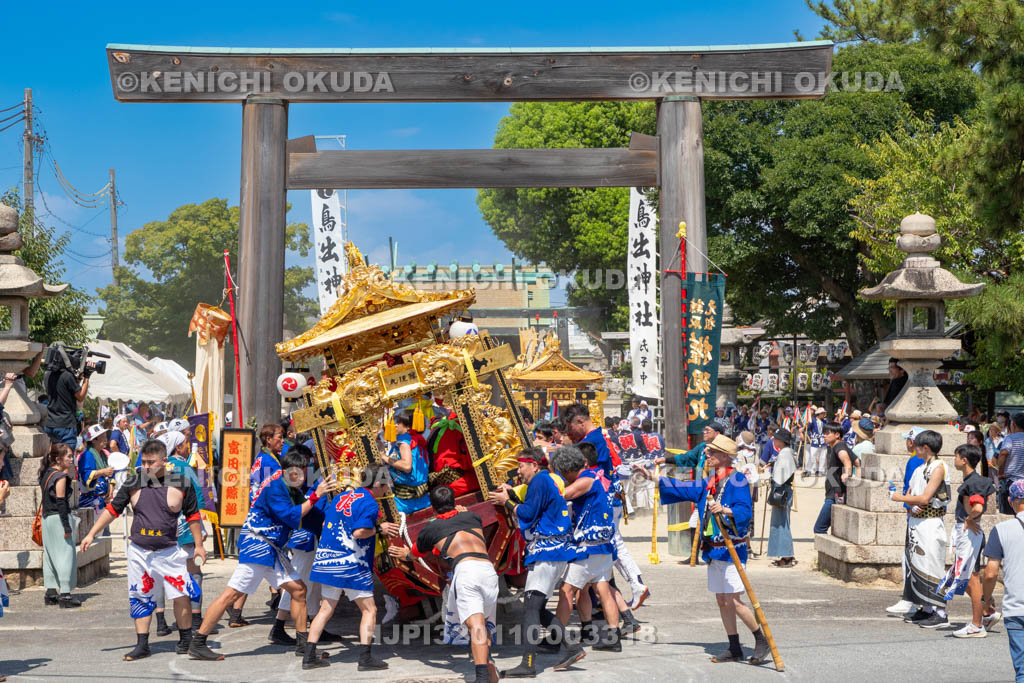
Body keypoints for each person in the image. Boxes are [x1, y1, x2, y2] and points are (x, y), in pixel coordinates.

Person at [187, 449, 334, 661]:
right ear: (289, 471)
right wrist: (316, 495)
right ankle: (198, 642)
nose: (303, 476)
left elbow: (309, 515)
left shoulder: (288, 485)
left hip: (271, 548)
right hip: (258, 545)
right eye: (300, 472)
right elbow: (291, 515)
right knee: (230, 595)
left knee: (299, 590)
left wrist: (328, 524)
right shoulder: (276, 487)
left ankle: (303, 646)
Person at [645, 434, 768, 663]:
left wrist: (727, 510)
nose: (707, 455)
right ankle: (734, 646)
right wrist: (654, 478)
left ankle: (760, 639)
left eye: (711, 452)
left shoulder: (737, 479)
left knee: (734, 600)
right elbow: (684, 488)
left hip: (732, 549)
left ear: (723, 456)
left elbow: (745, 511)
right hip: (714, 549)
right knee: (722, 599)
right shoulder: (709, 481)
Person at [80, 439, 206, 661]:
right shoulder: (134, 482)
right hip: (140, 551)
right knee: (139, 595)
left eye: (151, 462)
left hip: (169, 550)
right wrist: (92, 533)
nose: (147, 467)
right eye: (144, 462)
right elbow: (112, 510)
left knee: (181, 595)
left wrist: (198, 546)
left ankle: (185, 640)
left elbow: (193, 516)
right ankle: (142, 644)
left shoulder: (181, 482)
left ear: (164, 461)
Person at [389, 485, 499, 683]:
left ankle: (482, 678)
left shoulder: (431, 528)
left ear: (432, 507)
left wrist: (403, 553)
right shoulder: (473, 517)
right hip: (489, 570)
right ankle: (487, 663)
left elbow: (414, 554)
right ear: (454, 502)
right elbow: (463, 519)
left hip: (467, 571)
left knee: (476, 627)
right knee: (484, 626)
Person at [488, 447, 577, 677]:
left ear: (534, 466)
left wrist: (506, 501)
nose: (519, 471)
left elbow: (527, 514)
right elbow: (533, 508)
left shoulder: (539, 481)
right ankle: (570, 645)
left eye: (521, 466)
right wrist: (513, 497)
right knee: (535, 606)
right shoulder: (544, 481)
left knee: (530, 607)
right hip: (553, 552)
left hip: (547, 552)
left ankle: (528, 663)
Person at [304, 463, 398, 671]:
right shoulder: (370, 503)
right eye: (386, 484)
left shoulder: (340, 497)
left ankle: (309, 656)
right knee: (370, 609)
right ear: (376, 483)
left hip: (328, 560)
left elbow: (323, 525)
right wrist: (379, 529)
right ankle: (365, 658)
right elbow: (359, 532)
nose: (387, 488)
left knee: (326, 608)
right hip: (351, 565)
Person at [564, 403, 646, 610]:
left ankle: (636, 584)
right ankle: (629, 589)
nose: (568, 432)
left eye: (569, 427)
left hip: (604, 499)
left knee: (613, 542)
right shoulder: (597, 437)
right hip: (608, 496)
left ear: (580, 421)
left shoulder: (593, 440)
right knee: (609, 547)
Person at [550, 445, 621, 665]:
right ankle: (610, 636)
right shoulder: (593, 475)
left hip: (588, 546)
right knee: (601, 588)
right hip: (602, 544)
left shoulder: (586, 480)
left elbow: (563, 495)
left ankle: (555, 638)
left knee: (567, 590)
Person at [890, 429, 950, 628]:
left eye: (917, 445)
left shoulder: (938, 467)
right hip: (917, 521)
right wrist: (908, 501)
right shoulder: (919, 468)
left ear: (926, 448)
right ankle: (925, 607)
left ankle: (940, 611)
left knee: (932, 563)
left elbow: (926, 497)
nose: (913, 448)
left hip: (931, 521)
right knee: (917, 563)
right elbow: (911, 492)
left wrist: (900, 498)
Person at [937, 443, 998, 638]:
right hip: (969, 533)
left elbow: (978, 506)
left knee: (971, 580)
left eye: (956, 456)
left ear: (964, 460)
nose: (954, 460)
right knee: (969, 577)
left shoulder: (974, 482)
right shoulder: (972, 480)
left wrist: (970, 518)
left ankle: (977, 625)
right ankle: (987, 612)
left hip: (969, 533)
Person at [152, 431, 206, 636]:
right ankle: (195, 616)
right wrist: (200, 527)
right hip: (185, 525)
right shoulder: (185, 468)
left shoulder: (155, 468)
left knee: (159, 573)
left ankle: (160, 621)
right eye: (184, 443)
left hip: (160, 526)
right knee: (193, 570)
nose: (187, 445)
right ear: (177, 447)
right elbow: (197, 497)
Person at [982, 479, 1024, 681]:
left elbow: (990, 573)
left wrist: (986, 599)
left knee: (1023, 671)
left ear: (1011, 500)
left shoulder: (1002, 530)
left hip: (1017, 608)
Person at [885, 426, 927, 616]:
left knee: (909, 557)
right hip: (925, 512)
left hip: (915, 511)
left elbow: (910, 489)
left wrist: (907, 506)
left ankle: (909, 598)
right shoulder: (932, 462)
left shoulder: (913, 460)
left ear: (912, 442)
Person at [39, 443, 80, 607]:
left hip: (46, 518)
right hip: (58, 518)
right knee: (65, 555)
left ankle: (50, 592)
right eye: (69, 456)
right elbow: (61, 501)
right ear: (58, 459)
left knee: (49, 556)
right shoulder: (60, 477)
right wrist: (67, 526)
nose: (72, 459)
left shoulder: (47, 473)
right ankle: (65, 594)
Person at [43, 351, 91, 448]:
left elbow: (68, 387)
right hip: (65, 425)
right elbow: (80, 397)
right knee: (67, 456)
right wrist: (87, 377)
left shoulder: (47, 375)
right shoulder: (67, 376)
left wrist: (79, 377)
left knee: (54, 456)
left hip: (50, 423)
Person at [812, 422, 853, 535]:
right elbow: (857, 461)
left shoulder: (839, 446)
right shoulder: (836, 446)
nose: (824, 435)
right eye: (824, 433)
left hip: (835, 494)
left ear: (837, 435)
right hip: (833, 493)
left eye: (827, 433)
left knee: (819, 528)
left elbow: (846, 460)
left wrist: (847, 473)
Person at [387, 412, 430, 514]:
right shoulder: (416, 440)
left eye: (398, 423)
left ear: (408, 428)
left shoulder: (403, 441)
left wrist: (384, 457)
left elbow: (407, 466)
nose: (395, 425)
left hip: (405, 503)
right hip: (423, 499)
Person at [766, 429, 797, 568]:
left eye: (776, 438)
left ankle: (787, 556)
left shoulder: (785, 455)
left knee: (782, 524)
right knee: (780, 523)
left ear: (782, 441)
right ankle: (784, 554)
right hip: (783, 489)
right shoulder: (785, 453)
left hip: (782, 490)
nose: (774, 440)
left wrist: (772, 481)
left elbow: (780, 476)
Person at [78, 424, 113, 514]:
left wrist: (111, 487)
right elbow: (86, 475)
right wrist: (102, 472)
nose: (106, 440)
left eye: (106, 437)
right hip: (90, 501)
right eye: (103, 437)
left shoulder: (103, 455)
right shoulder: (87, 455)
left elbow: (111, 473)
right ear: (94, 440)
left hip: (103, 500)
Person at [998, 413, 1024, 515]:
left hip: (1011, 480)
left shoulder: (1010, 438)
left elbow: (1004, 453)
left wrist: (1000, 472)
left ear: (1013, 425)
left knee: (1011, 513)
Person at [803, 407, 828, 477]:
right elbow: (807, 429)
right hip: (815, 440)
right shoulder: (812, 420)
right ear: (819, 414)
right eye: (823, 413)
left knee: (823, 456)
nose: (824, 415)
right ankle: (809, 470)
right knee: (813, 455)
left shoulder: (825, 421)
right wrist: (809, 437)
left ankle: (821, 470)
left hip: (823, 440)